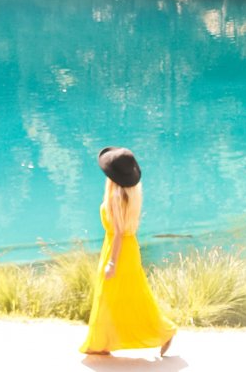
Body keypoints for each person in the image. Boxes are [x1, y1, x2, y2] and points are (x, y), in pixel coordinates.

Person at [80, 147, 177, 357]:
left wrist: (111, 262)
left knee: (108, 295)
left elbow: (116, 233)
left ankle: (101, 343)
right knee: (132, 295)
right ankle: (160, 331)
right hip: (129, 248)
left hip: (118, 251)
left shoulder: (115, 197)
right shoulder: (130, 194)